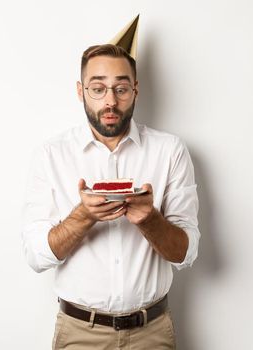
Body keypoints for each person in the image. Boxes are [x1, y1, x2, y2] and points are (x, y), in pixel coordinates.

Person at [20, 18, 200, 350]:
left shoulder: (170, 151)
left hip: (152, 332)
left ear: (135, 89)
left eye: (120, 88)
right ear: (81, 91)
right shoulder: (51, 155)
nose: (110, 102)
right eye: (98, 88)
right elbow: (36, 256)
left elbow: (185, 254)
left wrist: (150, 219)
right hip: (79, 333)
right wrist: (83, 217)